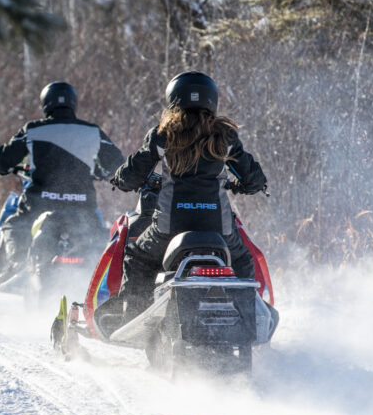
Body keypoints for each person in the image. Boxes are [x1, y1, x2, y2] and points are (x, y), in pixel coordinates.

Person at [111, 70, 267, 321]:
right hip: (218, 227)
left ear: (174, 99)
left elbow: (134, 172)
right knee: (242, 260)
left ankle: (134, 319)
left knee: (137, 257)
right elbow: (253, 179)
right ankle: (249, 320)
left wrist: (120, 179)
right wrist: (246, 185)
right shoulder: (224, 136)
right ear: (212, 100)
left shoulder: (163, 135)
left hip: (170, 226)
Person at [0, 81, 124, 286]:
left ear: (46, 104)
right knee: (99, 235)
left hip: (39, 205)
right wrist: (101, 173)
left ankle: (17, 266)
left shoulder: (33, 129)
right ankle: (104, 276)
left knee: (15, 225)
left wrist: (7, 164)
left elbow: (3, 163)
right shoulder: (92, 131)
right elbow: (118, 163)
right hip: (82, 207)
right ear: (73, 103)